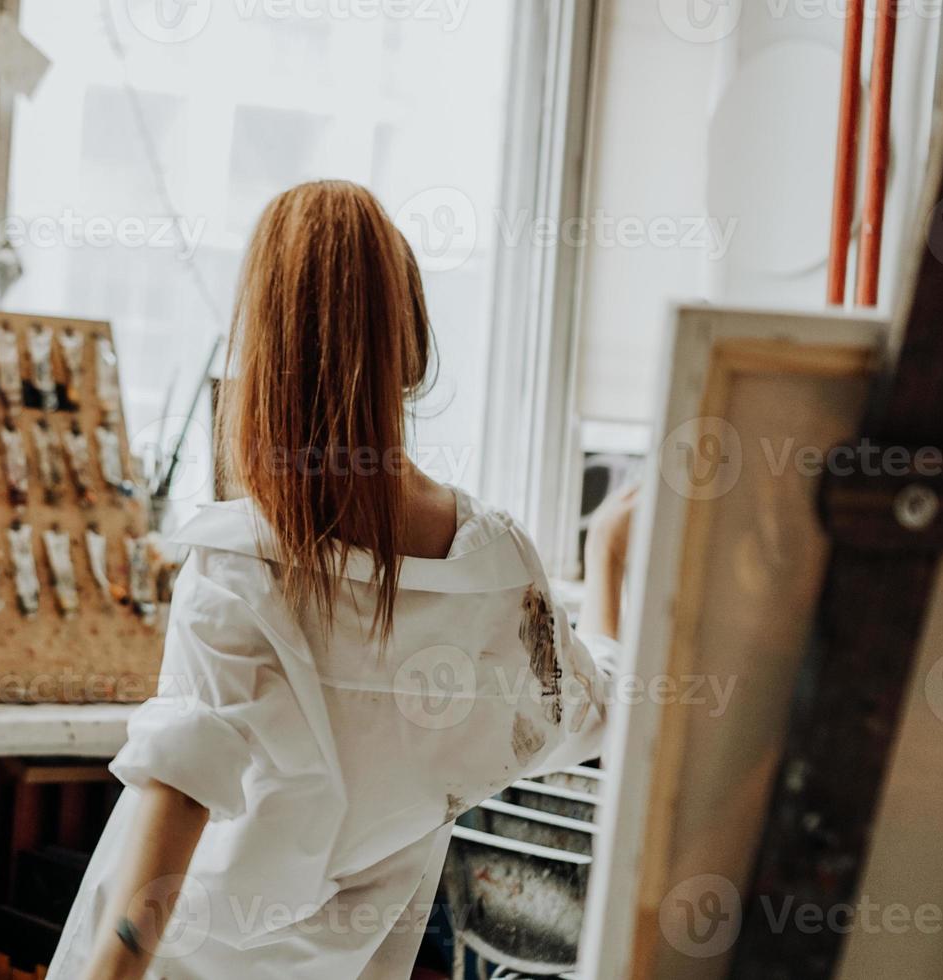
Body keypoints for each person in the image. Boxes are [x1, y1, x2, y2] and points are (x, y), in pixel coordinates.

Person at [50, 180, 635, 979]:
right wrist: (606, 558)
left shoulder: (237, 568)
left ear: (259, 354)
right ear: (415, 345)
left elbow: (175, 801)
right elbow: (592, 710)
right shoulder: (495, 570)